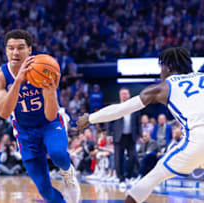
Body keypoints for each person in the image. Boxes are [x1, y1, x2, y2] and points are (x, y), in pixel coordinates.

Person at [76, 47, 203, 203]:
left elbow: (121, 109)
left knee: (153, 177)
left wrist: (90, 118)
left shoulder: (163, 87)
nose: (160, 73)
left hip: (197, 139)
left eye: (161, 68)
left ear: (168, 68)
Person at [0, 29, 80, 203]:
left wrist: (52, 91)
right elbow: (3, 112)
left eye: (20, 47)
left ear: (29, 50)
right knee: (45, 191)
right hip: (24, 131)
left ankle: (68, 174)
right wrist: (18, 81)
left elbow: (51, 114)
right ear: (6, 51)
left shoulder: (44, 68)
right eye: (11, 48)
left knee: (58, 153)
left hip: (49, 124)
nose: (15, 52)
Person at [109, 87, 141, 187]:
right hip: (118, 136)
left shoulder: (134, 107)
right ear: (119, 95)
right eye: (122, 94)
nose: (124, 95)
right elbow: (109, 120)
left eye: (125, 94)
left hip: (131, 136)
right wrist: (108, 135)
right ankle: (121, 179)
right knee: (118, 158)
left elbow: (138, 122)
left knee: (133, 156)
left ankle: (129, 176)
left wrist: (139, 134)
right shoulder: (115, 106)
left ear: (129, 95)